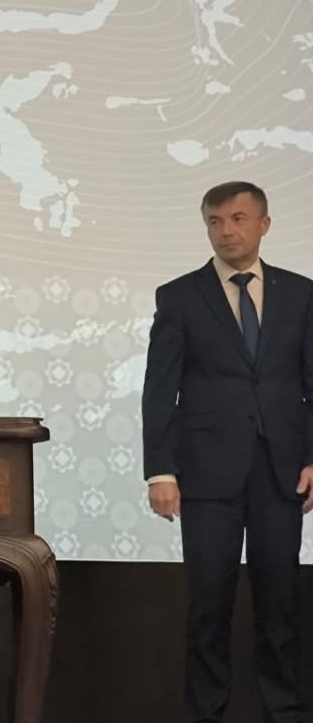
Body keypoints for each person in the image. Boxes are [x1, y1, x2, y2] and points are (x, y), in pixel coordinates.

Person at [142, 181, 313, 723]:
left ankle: (285, 712)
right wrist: (160, 471)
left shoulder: (302, 294)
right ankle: (204, 714)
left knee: (280, 604)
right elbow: (159, 389)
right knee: (208, 607)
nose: (226, 231)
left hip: (280, 471)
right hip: (205, 472)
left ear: (264, 224)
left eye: (238, 219)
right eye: (215, 221)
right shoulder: (179, 296)